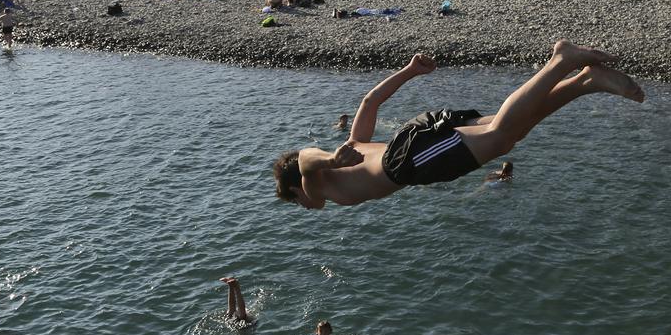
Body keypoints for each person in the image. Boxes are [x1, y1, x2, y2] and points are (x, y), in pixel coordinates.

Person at [273, 42, 645, 209]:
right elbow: (371, 101)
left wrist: (328, 160)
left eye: (297, 203)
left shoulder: (316, 184)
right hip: (415, 140)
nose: (305, 206)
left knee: (501, 135)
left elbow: (304, 159)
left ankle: (561, 61)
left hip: (408, 160)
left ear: (295, 189)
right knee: (511, 132)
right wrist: (409, 71)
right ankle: (585, 81)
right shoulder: (356, 145)